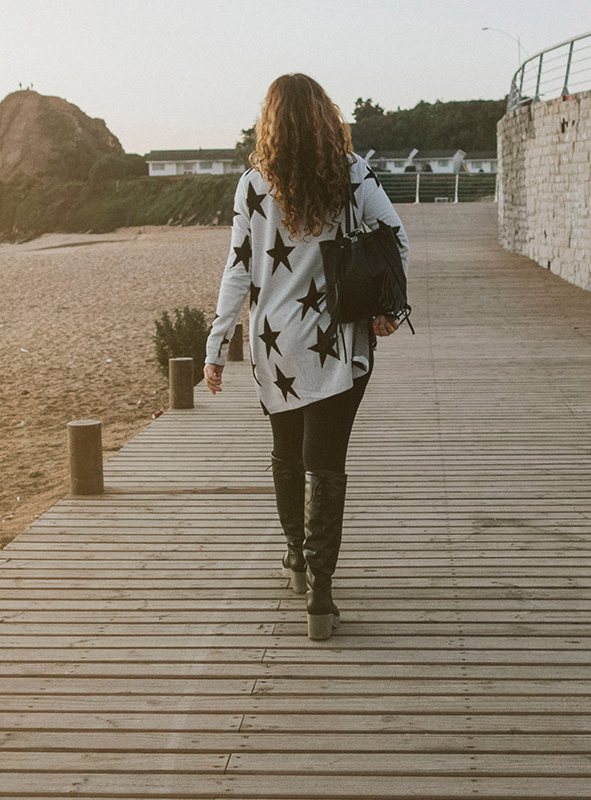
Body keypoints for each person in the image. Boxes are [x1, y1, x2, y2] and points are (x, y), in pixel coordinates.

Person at [203, 73, 408, 641]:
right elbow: (396, 238)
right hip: (338, 343)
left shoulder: (251, 184)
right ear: (325, 116)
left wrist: (216, 346)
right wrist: (389, 307)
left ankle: (295, 556)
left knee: (287, 452)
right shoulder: (352, 173)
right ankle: (321, 595)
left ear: (269, 122)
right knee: (327, 461)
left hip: (274, 345)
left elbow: (237, 270)